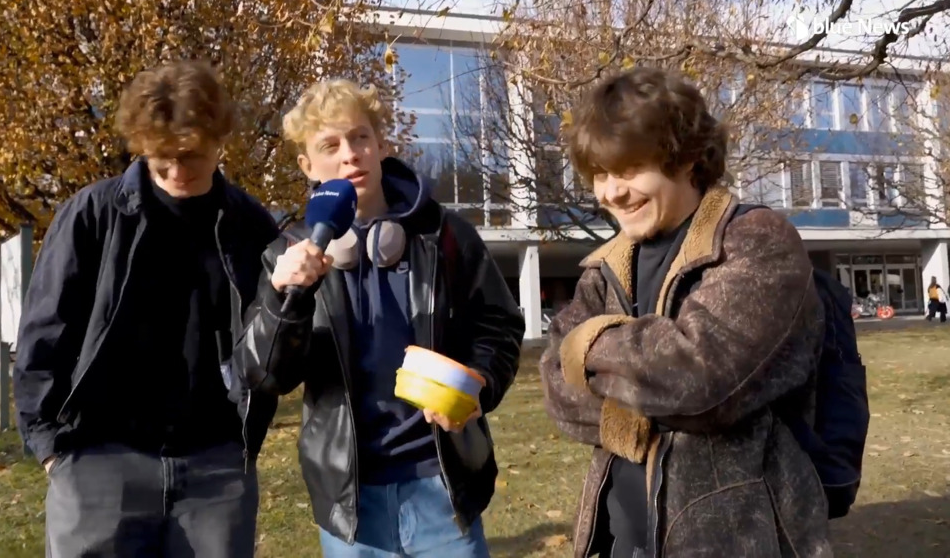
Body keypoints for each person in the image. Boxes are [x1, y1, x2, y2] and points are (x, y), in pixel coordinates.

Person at [538, 67, 832, 558]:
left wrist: (588, 345)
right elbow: (555, 388)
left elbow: (699, 380)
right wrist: (648, 389)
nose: (611, 192)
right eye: (601, 174)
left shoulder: (755, 241)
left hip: (739, 541)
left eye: (629, 169)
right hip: (617, 541)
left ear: (687, 157)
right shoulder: (606, 265)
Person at [230, 78, 524, 557]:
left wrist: (480, 383)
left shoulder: (445, 234)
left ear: (381, 144)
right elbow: (263, 374)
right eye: (330, 145)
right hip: (351, 500)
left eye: (360, 137)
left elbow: (500, 323)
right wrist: (287, 297)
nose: (350, 154)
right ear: (307, 165)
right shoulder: (286, 256)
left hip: (442, 483)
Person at [13, 59, 279, 557]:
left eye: (191, 156)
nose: (178, 171)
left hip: (215, 467)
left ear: (219, 140)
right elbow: (44, 333)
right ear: (140, 147)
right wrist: (51, 447)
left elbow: (268, 347)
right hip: (97, 457)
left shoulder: (251, 227)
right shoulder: (91, 214)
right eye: (161, 159)